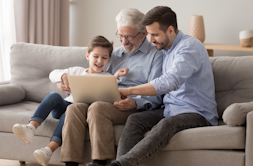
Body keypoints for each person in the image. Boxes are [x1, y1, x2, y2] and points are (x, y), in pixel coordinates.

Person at [110, 6, 219, 166]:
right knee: (135, 120)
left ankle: (121, 164)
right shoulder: (165, 50)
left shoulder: (189, 47)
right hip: (170, 110)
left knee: (167, 124)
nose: (151, 39)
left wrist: (128, 90)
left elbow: (169, 82)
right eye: (149, 34)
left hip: (197, 113)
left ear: (170, 30)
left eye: (155, 34)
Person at [58, 8, 164, 166]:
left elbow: (157, 93)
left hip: (130, 105)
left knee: (97, 108)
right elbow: (94, 76)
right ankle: (70, 163)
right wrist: (64, 79)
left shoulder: (156, 56)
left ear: (143, 34)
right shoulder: (113, 55)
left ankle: (99, 162)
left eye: (128, 36)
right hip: (104, 100)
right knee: (74, 108)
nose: (123, 41)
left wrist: (135, 102)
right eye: (120, 35)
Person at [12, 35, 129, 166]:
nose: (99, 61)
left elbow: (110, 96)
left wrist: (116, 78)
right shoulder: (76, 71)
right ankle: (31, 127)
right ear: (87, 56)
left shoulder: (108, 77)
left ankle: (48, 150)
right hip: (65, 104)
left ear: (109, 59)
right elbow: (52, 74)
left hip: (79, 111)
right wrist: (62, 76)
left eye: (104, 57)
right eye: (96, 56)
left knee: (69, 114)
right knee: (53, 96)